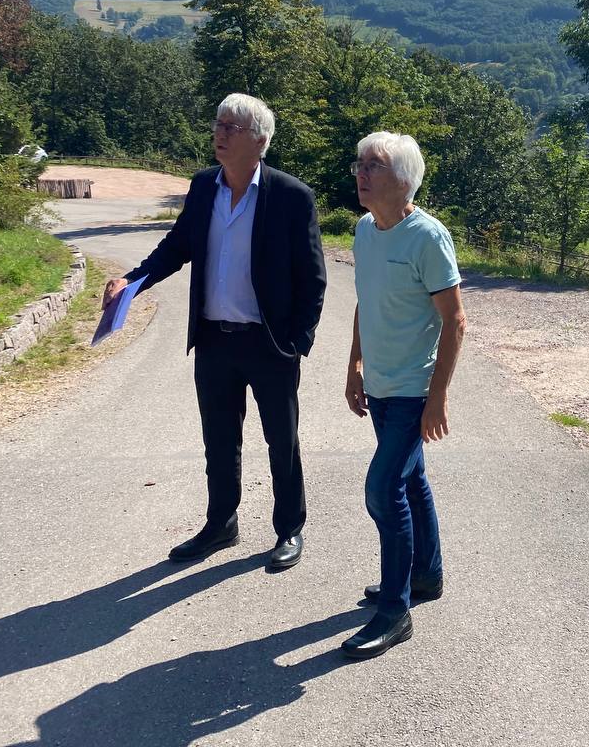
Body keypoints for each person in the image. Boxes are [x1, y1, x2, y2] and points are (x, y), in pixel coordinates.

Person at [102, 93, 326, 571]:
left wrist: (297, 345)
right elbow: (176, 246)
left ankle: (289, 528)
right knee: (220, 440)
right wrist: (132, 281)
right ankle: (221, 524)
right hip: (214, 340)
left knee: (280, 440)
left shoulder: (291, 197)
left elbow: (313, 278)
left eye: (231, 127)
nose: (219, 134)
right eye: (219, 124)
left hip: (269, 344)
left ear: (259, 141)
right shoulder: (205, 187)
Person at [341, 131, 465, 658]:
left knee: (382, 489)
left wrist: (437, 398)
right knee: (411, 483)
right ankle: (426, 577)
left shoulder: (428, 237)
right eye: (360, 163)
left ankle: (395, 611)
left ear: (405, 179)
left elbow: (455, 320)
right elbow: (365, 304)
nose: (362, 172)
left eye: (375, 165)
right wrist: (353, 363)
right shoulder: (364, 232)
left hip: (414, 389)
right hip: (380, 386)